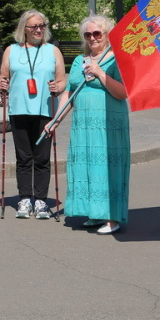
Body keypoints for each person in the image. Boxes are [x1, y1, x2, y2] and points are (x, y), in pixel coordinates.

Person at [49, 15, 129, 235]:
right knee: (87, 167)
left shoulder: (116, 59)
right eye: (88, 34)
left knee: (106, 169)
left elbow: (122, 92)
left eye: (97, 33)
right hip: (83, 126)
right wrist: (56, 120)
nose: (92, 38)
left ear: (107, 35)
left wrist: (100, 73)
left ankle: (112, 218)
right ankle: (96, 213)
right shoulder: (79, 61)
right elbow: (69, 93)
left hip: (108, 125)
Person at [0, 10, 66, 220]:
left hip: (45, 111)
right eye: (34, 27)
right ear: (24, 29)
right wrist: (2, 84)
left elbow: (63, 81)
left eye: (42, 26)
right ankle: (25, 198)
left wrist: (58, 87)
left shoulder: (52, 51)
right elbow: (3, 78)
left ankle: (41, 201)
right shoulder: (11, 50)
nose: (38, 30)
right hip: (19, 110)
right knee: (24, 158)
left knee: (42, 158)